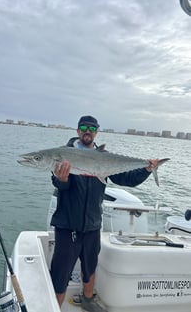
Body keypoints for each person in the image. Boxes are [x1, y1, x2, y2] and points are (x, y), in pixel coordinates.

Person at [50, 115, 159, 311]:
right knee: (60, 273)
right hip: (68, 225)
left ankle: (88, 300)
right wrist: (62, 179)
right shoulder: (63, 154)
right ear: (77, 131)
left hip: (92, 224)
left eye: (92, 128)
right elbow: (59, 185)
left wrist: (146, 169)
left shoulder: (105, 157)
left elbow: (127, 178)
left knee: (90, 267)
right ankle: (54, 307)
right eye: (84, 127)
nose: (87, 131)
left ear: (96, 132)